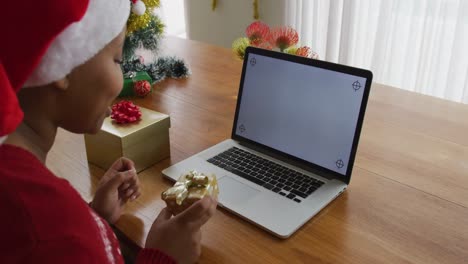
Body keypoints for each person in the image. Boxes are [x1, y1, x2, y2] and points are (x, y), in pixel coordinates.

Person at [0, 0, 217, 263]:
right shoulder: (54, 228)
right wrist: (163, 257)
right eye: (117, 59)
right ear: (64, 62)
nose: (122, 79)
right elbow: (57, 243)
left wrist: (94, 218)